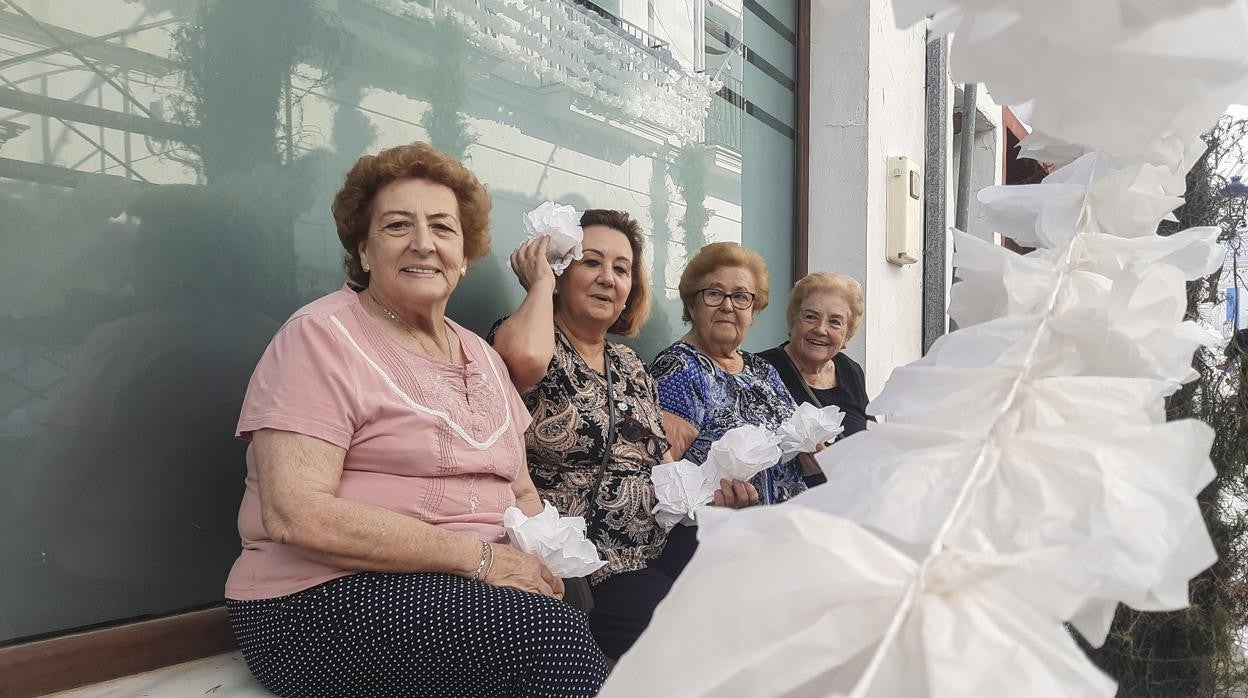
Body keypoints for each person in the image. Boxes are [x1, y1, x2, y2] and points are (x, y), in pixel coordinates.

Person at [223, 143, 607, 698]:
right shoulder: (320, 338)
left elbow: (520, 488)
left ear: (464, 251)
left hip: (467, 593)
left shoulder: (482, 355)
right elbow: (295, 513)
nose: (424, 243)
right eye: (398, 225)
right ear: (364, 249)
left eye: (443, 228)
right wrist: (481, 560)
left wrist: (538, 563)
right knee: (545, 636)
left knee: (567, 611)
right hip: (318, 601)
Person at [489, 210, 754, 662]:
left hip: (655, 544)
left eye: (622, 268)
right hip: (594, 567)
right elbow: (521, 358)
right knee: (693, 639)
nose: (608, 279)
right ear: (560, 269)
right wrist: (538, 286)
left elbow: (662, 463)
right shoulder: (530, 339)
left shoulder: (630, 364)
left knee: (755, 588)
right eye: (590, 262)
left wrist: (708, 496)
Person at [650, 242, 819, 569]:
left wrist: (813, 456)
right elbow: (663, 480)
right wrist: (713, 501)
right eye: (714, 293)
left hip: (786, 541)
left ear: (753, 311)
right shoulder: (679, 369)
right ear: (692, 304)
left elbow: (797, 440)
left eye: (741, 297)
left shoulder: (763, 370)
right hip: (723, 550)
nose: (728, 306)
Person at [759, 272, 871, 486]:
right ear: (793, 322)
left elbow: (869, 440)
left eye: (835, 322)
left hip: (846, 508)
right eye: (810, 316)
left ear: (847, 335)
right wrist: (801, 470)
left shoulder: (850, 371)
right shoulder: (761, 371)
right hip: (790, 512)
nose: (821, 329)